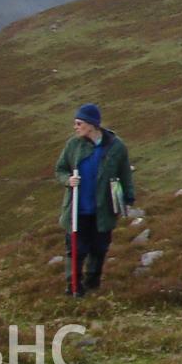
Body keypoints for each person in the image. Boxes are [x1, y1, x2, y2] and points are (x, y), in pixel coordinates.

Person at [54, 103, 135, 296]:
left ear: (92, 125)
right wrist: (68, 180)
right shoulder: (73, 145)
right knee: (76, 250)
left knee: (99, 248)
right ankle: (73, 286)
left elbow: (125, 174)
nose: (75, 127)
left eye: (79, 123)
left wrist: (128, 199)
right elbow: (60, 169)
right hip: (77, 209)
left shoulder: (116, 147)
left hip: (103, 209)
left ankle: (92, 283)